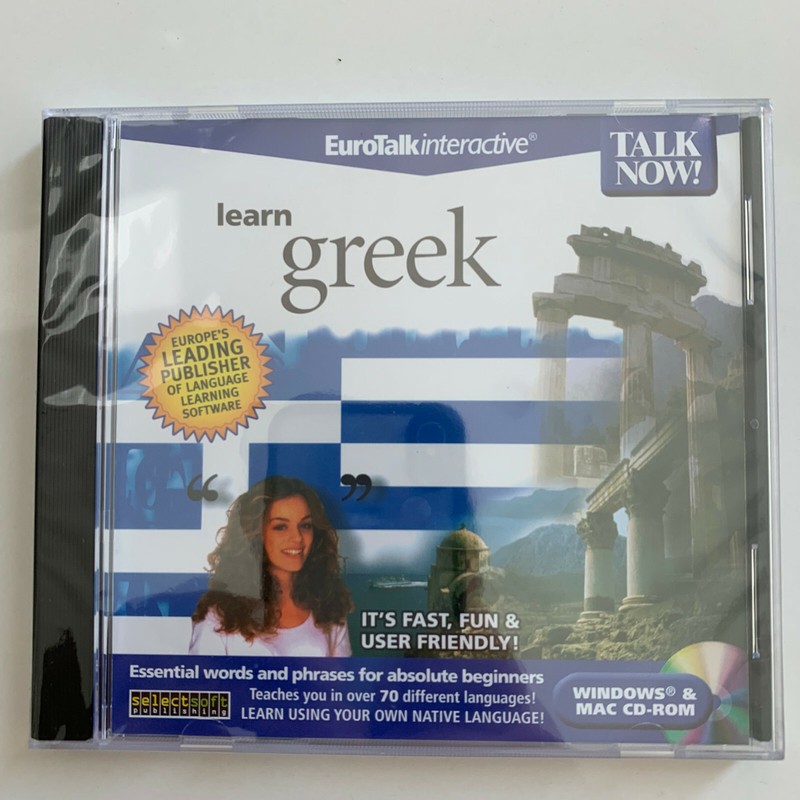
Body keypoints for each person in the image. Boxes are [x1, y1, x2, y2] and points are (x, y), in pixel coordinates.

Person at [189, 476, 352, 656]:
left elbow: (343, 673)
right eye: (281, 527)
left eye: (305, 525)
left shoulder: (329, 606)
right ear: (255, 534)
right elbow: (202, 674)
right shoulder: (219, 614)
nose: (297, 537)